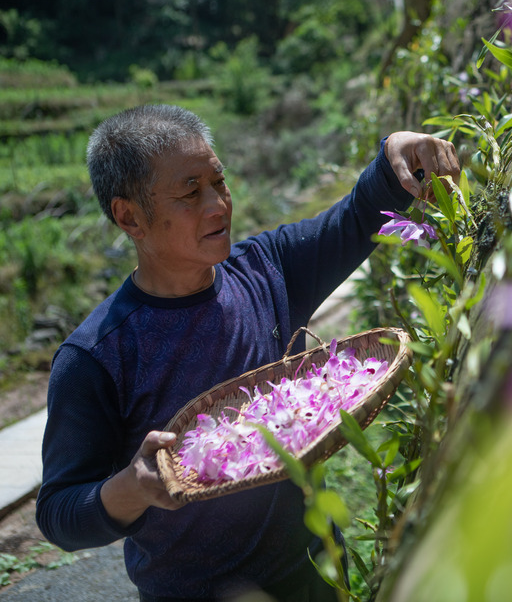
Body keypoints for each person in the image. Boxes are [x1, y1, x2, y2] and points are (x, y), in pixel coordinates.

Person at [35, 104, 460, 601]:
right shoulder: (97, 356)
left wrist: (394, 153)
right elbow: (59, 512)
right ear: (130, 216)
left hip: (317, 576)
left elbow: (353, 218)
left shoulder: (265, 270)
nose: (217, 204)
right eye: (190, 192)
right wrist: (131, 487)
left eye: (219, 182)